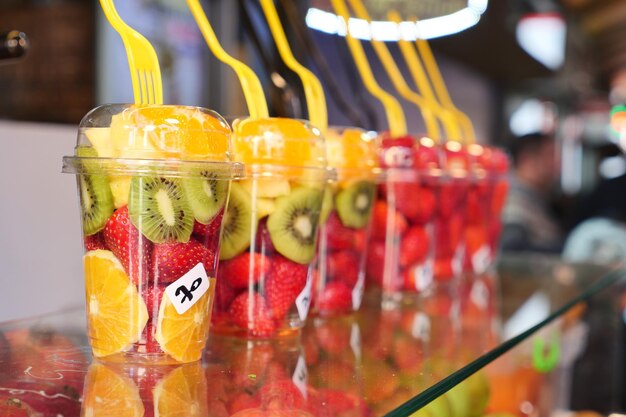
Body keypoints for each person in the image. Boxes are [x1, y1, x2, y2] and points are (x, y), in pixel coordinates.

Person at [500, 132, 563, 252]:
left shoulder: (534, 197)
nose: (557, 165)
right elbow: (513, 250)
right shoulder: (513, 199)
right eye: (550, 155)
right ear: (527, 158)